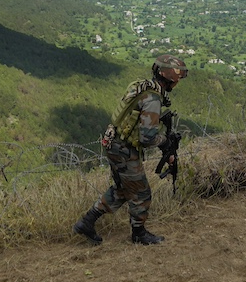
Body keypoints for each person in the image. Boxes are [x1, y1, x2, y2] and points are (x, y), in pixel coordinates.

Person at [73, 54, 188, 246]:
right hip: (124, 150)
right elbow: (147, 137)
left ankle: (86, 222)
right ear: (171, 79)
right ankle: (139, 234)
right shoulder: (153, 99)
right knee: (141, 192)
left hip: (115, 144)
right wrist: (164, 141)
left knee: (123, 190)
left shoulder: (141, 86)